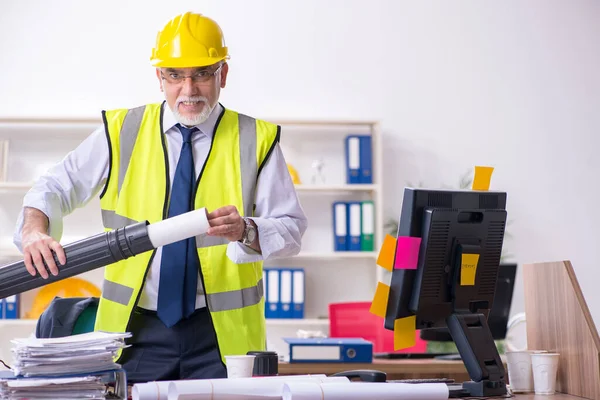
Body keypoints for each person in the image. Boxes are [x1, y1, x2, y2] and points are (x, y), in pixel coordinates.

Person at [13, 11, 307, 382]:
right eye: (175, 75)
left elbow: (291, 229)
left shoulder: (256, 138)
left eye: (202, 73)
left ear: (223, 74)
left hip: (223, 341)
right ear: (159, 78)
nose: (188, 89)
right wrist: (34, 231)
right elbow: (52, 186)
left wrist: (247, 229)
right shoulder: (122, 131)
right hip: (133, 336)